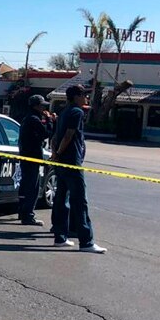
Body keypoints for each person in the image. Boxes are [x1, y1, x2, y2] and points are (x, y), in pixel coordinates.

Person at [50, 84, 106, 253]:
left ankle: (60, 237)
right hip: (72, 162)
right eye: (83, 95)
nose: (85, 98)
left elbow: (54, 137)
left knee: (61, 199)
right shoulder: (77, 112)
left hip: (61, 163)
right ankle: (86, 242)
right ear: (75, 96)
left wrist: (55, 154)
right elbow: (69, 134)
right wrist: (60, 152)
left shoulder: (63, 112)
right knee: (80, 201)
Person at [17, 95, 55, 226]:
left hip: (26, 155)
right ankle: (28, 215)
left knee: (25, 184)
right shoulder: (34, 119)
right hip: (32, 157)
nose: (43, 108)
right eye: (41, 105)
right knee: (32, 187)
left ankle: (22, 212)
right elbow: (46, 133)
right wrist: (50, 120)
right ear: (35, 106)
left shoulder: (28, 118)